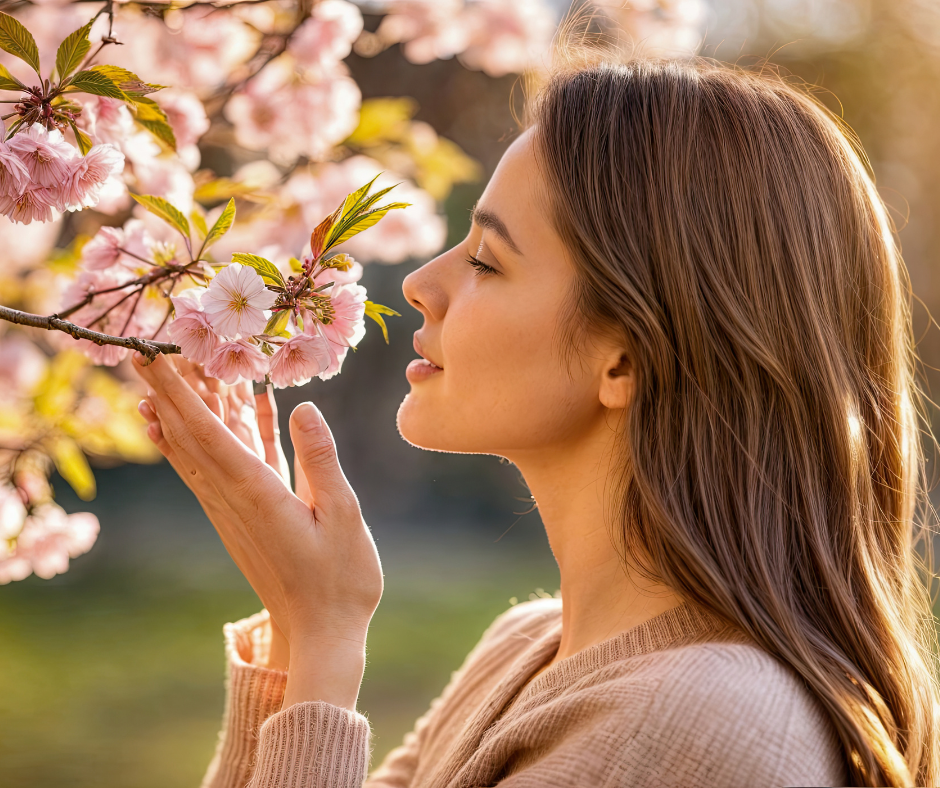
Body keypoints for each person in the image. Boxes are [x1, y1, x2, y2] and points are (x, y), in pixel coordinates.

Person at [133, 50, 940, 788]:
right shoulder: (525, 648)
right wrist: (292, 631)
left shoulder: (705, 718)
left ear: (623, 361)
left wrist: (324, 637)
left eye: (487, 260)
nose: (420, 282)